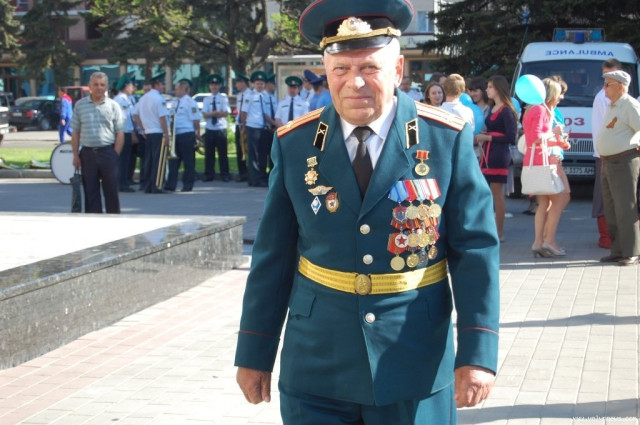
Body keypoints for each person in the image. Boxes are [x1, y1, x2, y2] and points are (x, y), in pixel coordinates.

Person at [234, 1, 500, 423]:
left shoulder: (444, 139)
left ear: (397, 71)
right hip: (317, 364)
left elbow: (475, 251)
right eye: (340, 68)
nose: (354, 82)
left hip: (412, 363)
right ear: (326, 72)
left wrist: (478, 352)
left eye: (370, 68)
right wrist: (254, 351)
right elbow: (273, 256)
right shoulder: (295, 143)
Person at [522, 77, 571, 257]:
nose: (560, 98)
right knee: (558, 199)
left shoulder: (534, 109)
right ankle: (548, 241)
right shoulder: (540, 110)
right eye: (558, 94)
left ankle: (538, 242)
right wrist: (554, 133)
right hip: (542, 163)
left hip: (536, 161)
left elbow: (535, 140)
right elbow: (534, 138)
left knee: (543, 203)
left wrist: (558, 142)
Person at [596, 70, 640, 266]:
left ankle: (632, 251)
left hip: (623, 161)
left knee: (625, 208)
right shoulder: (613, 105)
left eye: (608, 84)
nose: (604, 88)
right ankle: (618, 250)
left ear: (621, 86)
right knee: (612, 209)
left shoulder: (629, 105)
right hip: (609, 162)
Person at [71, 72, 124, 214]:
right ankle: (93, 222)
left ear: (106, 87)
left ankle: (114, 221)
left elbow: (120, 132)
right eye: (95, 84)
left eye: (102, 85)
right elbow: (75, 132)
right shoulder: (80, 105)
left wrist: (115, 155)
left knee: (111, 192)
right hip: (87, 154)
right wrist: (75, 155)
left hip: (108, 153)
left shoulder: (113, 106)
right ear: (89, 86)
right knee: (90, 193)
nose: (99, 87)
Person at [473, 75, 518, 242]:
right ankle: (488, 229)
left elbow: (511, 137)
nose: (487, 90)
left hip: (499, 154)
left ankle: (500, 232)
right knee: (485, 192)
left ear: (498, 88)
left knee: (497, 194)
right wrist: (484, 135)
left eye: (490, 87)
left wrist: (488, 137)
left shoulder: (506, 110)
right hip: (487, 153)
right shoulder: (492, 107)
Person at [592, 59, 622, 249]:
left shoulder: (612, 96)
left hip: (610, 151)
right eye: (605, 75)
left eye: (612, 75)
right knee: (605, 196)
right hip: (607, 153)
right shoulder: (605, 97)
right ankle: (606, 237)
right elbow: (613, 126)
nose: (607, 79)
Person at [134, 72, 170, 193]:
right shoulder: (159, 99)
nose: (164, 86)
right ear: (157, 84)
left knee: (149, 160)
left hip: (148, 132)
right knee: (159, 160)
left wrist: (143, 129)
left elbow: (135, 114)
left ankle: (148, 185)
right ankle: (157, 185)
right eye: (163, 84)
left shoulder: (143, 98)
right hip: (158, 132)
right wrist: (166, 134)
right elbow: (162, 118)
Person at [165, 79, 202, 192]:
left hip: (187, 134)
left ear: (183, 90)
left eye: (177, 89)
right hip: (176, 134)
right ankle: (171, 185)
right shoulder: (175, 102)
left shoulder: (190, 102)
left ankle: (187, 185)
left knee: (188, 161)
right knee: (173, 161)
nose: (175, 91)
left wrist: (197, 133)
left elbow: (196, 119)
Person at [241, 71, 276, 187]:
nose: (260, 86)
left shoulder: (265, 96)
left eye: (261, 84)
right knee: (253, 154)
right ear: (254, 84)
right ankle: (254, 178)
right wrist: (244, 127)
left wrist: (274, 123)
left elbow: (265, 114)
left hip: (262, 127)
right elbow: (244, 113)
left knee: (261, 153)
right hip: (252, 127)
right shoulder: (249, 96)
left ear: (264, 84)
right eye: (257, 84)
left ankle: (261, 176)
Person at [202, 74, 231, 182]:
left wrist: (212, 114)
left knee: (223, 153)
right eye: (212, 85)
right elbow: (205, 114)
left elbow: (225, 113)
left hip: (220, 128)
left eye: (216, 84)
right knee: (209, 153)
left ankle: (225, 174)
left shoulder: (223, 98)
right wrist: (216, 113)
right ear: (209, 86)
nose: (214, 87)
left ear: (219, 86)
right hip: (210, 128)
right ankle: (209, 174)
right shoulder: (206, 99)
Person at [113, 73, 137, 193]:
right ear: (126, 86)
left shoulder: (126, 99)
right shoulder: (120, 100)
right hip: (123, 133)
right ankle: (121, 183)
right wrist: (131, 133)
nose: (132, 88)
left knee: (125, 159)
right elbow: (124, 119)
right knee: (122, 159)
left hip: (125, 132)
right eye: (131, 85)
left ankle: (123, 182)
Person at [234, 73, 251, 182]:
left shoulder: (250, 94)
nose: (236, 85)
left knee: (248, 150)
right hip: (238, 125)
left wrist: (244, 125)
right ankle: (242, 173)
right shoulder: (239, 96)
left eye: (237, 83)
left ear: (243, 83)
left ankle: (249, 173)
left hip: (247, 125)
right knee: (240, 149)